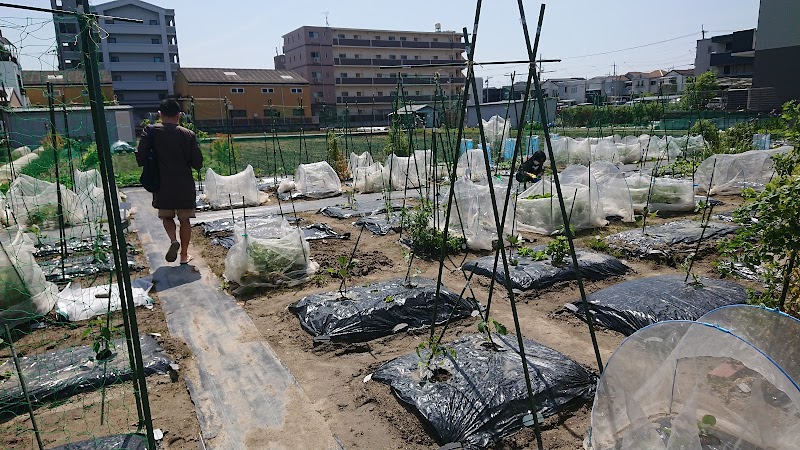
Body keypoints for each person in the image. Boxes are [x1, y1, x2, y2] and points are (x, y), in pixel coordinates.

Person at [136, 98, 203, 264]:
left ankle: (173, 240)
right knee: (185, 219)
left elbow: (141, 157)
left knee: (167, 216)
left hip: (162, 184)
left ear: (160, 114)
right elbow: (198, 163)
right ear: (179, 115)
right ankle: (184, 255)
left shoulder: (151, 131)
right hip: (184, 185)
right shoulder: (188, 135)